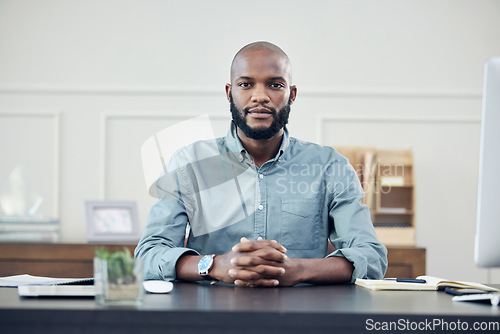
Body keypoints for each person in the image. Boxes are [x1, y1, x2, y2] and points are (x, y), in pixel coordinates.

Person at [135, 41, 387, 287]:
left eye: (275, 85)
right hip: (210, 319)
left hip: (303, 319)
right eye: (245, 84)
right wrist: (214, 266)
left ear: (292, 94)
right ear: (229, 92)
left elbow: (372, 257)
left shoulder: (330, 166)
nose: (260, 96)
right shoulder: (189, 163)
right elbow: (148, 255)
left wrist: (297, 270)